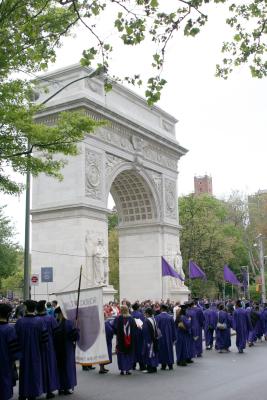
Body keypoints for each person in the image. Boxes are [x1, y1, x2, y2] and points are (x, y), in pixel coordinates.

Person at [15, 300, 48, 400]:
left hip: (23, 352)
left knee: (24, 373)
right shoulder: (39, 321)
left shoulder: (20, 322)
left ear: (26, 308)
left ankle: (22, 394)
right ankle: (32, 394)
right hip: (36, 352)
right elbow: (44, 339)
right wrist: (43, 350)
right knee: (34, 372)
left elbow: (15, 338)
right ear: (34, 309)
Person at [54, 307, 80, 395]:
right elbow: (75, 337)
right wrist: (76, 329)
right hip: (67, 349)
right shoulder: (69, 323)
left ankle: (60, 388)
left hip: (57, 350)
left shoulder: (55, 323)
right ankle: (67, 388)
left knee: (59, 368)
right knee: (67, 368)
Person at [36, 300, 59, 399]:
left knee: (38, 369)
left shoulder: (36, 320)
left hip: (37, 349)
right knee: (49, 368)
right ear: (44, 308)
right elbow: (56, 333)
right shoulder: (51, 319)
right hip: (49, 347)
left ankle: (37, 390)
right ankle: (49, 391)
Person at [0, 303, 20, 400]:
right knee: (5, 383)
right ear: (8, 315)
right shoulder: (9, 329)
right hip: (5, 362)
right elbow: (14, 350)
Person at [113, 305, 137, 375]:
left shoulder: (118, 318)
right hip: (130, 340)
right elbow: (135, 329)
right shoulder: (131, 319)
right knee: (129, 354)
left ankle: (122, 370)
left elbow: (114, 328)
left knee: (121, 354)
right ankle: (128, 370)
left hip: (120, 340)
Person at [155, 304, 176, 370]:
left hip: (160, 337)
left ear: (161, 309)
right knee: (169, 350)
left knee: (162, 350)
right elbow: (173, 328)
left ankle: (163, 365)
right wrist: (174, 337)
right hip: (169, 337)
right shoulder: (170, 317)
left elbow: (156, 328)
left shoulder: (157, 317)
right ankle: (170, 365)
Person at [142, 307, 159, 373]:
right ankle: (154, 367)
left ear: (147, 313)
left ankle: (150, 368)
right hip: (154, 338)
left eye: (145, 313)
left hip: (149, 340)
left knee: (150, 354)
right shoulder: (154, 319)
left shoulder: (146, 321)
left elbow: (145, 331)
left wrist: (141, 327)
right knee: (153, 353)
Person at [131, 302, 145, 371]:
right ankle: (141, 365)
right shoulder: (140, 314)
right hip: (139, 334)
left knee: (133, 349)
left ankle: (133, 365)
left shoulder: (130, 315)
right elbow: (143, 324)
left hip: (132, 334)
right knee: (140, 349)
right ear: (138, 307)